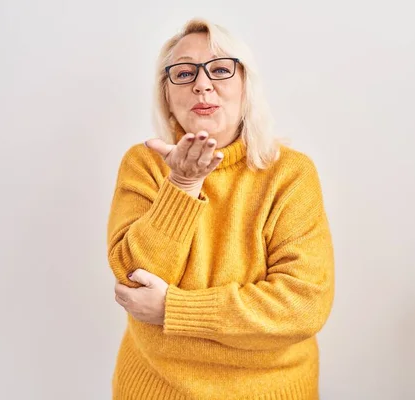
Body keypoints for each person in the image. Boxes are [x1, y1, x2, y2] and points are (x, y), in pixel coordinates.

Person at [107, 17, 335, 400]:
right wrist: (182, 184)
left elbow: (302, 306)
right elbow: (133, 283)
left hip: (271, 391)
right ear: (166, 93)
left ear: (246, 85)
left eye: (220, 69)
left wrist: (174, 310)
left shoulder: (290, 175)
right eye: (183, 72)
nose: (202, 83)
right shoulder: (144, 164)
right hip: (155, 388)